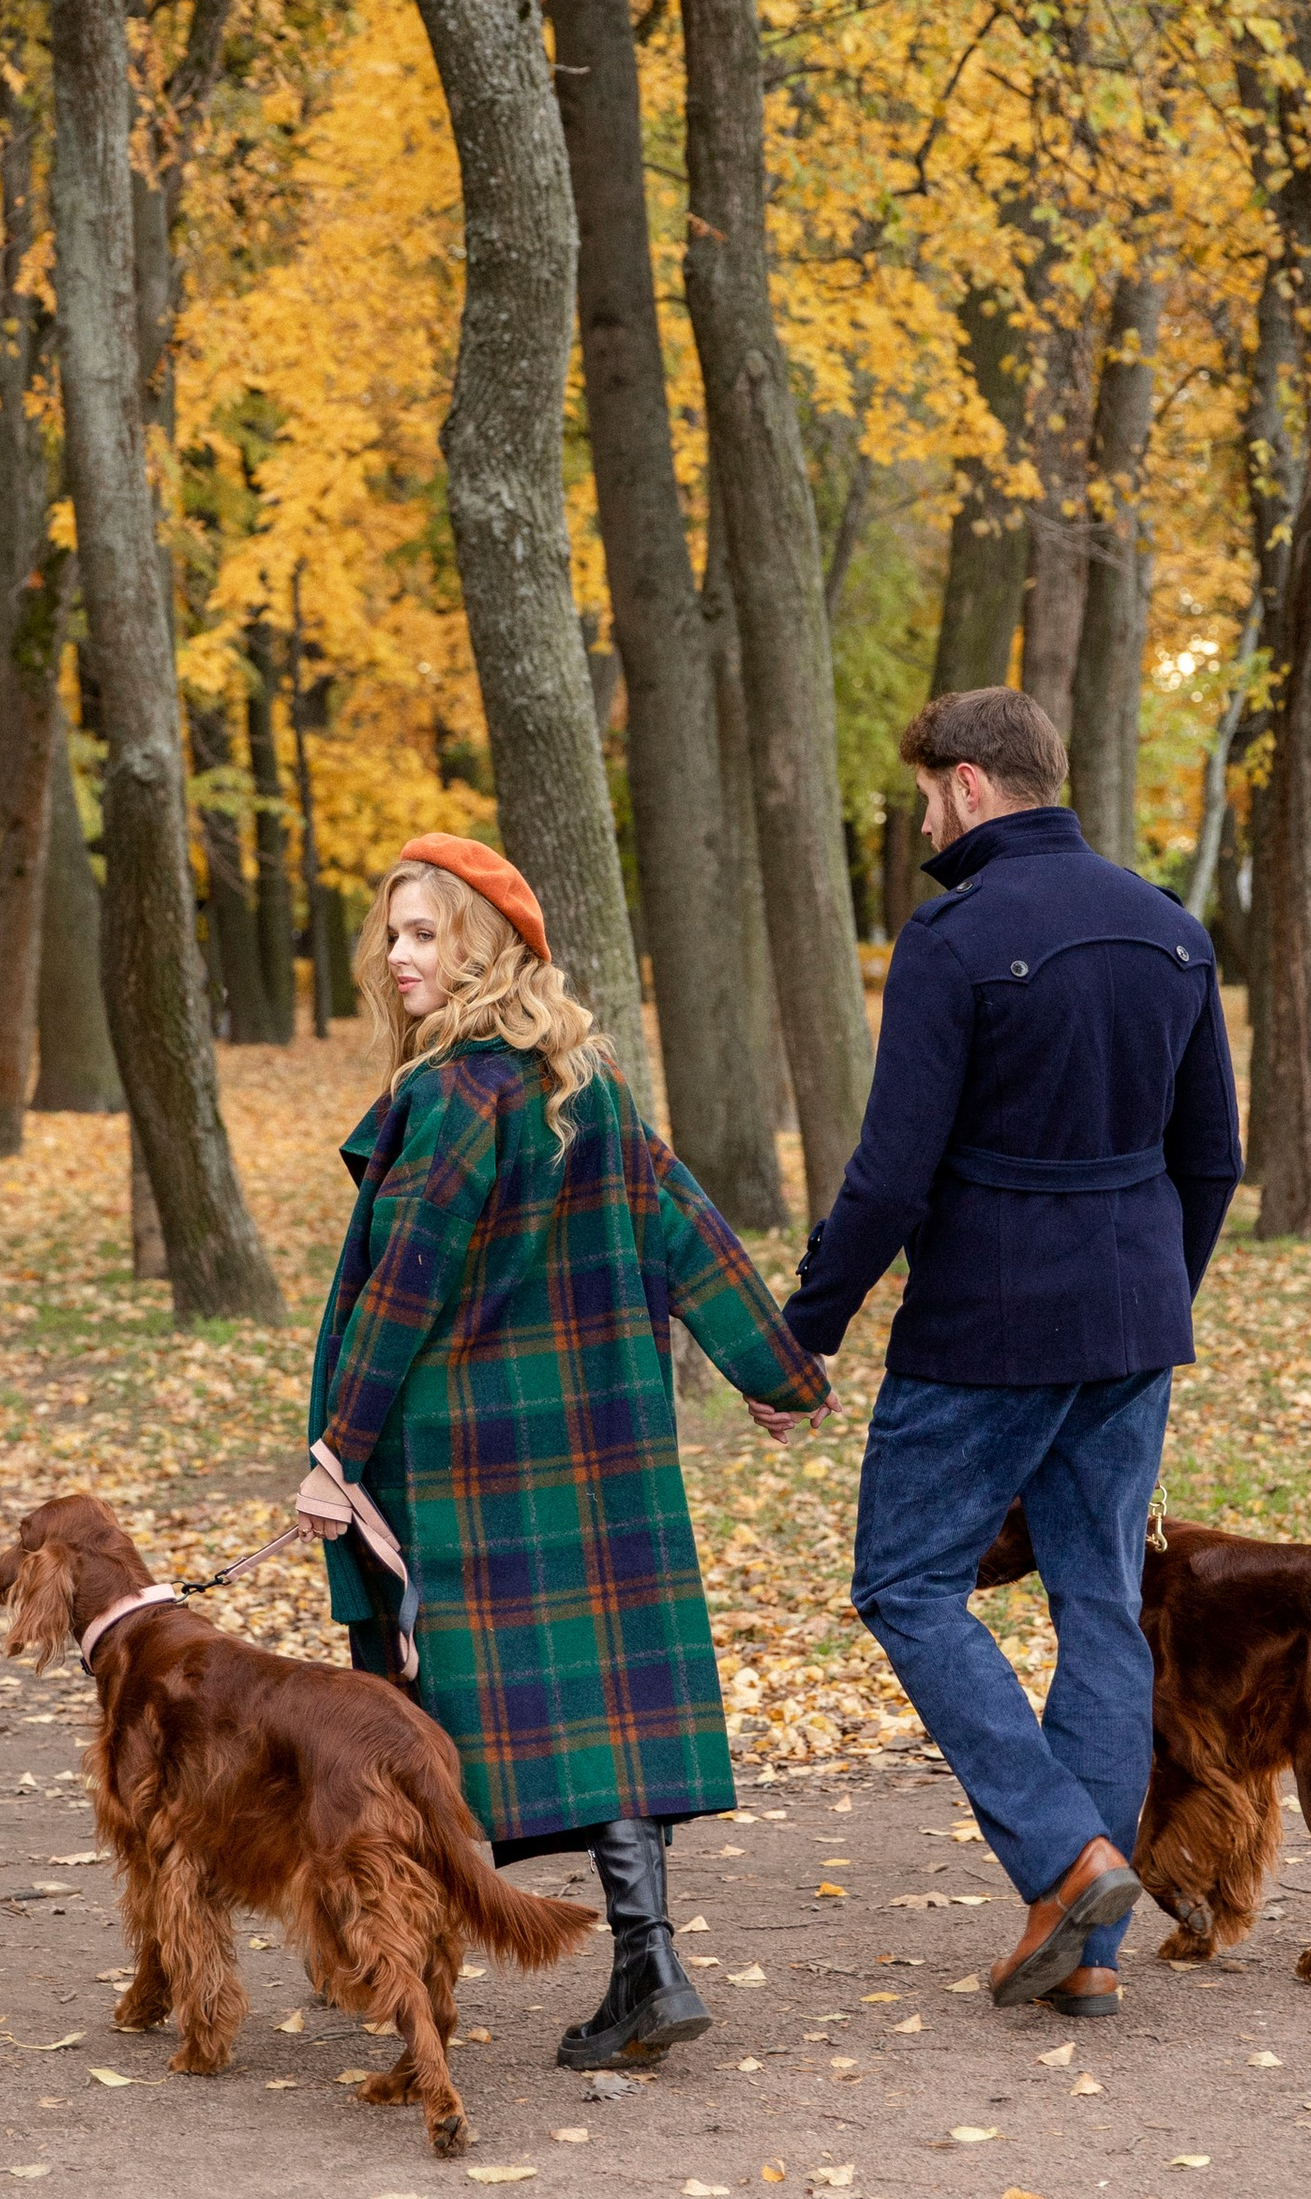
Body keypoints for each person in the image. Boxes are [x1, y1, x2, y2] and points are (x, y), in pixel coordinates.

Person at [298, 833, 827, 2071]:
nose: (399, 953)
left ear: (485, 946)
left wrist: (337, 1453)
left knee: (421, 1720)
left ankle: (403, 1959)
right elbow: (688, 1227)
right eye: (394, 932)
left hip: (472, 1470)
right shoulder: (586, 1083)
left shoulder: (450, 1101)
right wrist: (777, 1371)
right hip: (597, 1446)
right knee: (606, 1699)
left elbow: (399, 1295)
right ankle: (648, 1961)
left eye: (426, 932)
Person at [782, 690, 1242, 2018]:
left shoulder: (955, 935)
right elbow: (1210, 1158)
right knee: (1098, 1609)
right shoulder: (1171, 930)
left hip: (985, 1329)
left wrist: (802, 1338)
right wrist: (1155, 1293)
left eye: (930, 792)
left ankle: (1067, 1857)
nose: (925, 816)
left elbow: (889, 1179)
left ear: (973, 783)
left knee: (907, 1584)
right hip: (1130, 1326)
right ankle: (1087, 1956)